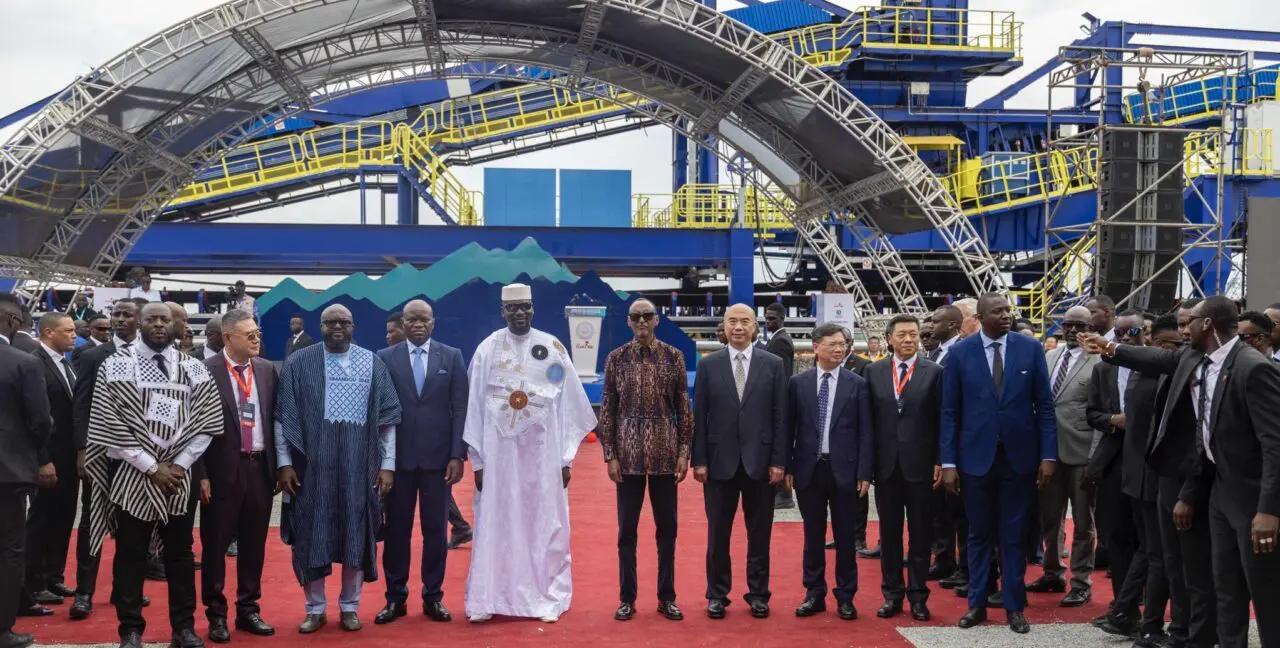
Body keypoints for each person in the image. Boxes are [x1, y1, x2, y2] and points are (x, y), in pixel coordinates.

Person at [1082, 296, 1280, 648]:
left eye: (1191, 321)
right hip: (1219, 491)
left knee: (1265, 592)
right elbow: (1157, 359)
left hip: (1252, 499)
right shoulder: (1194, 357)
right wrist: (1110, 347)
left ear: (1209, 323)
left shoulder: (1253, 367)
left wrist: (1268, 510)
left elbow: (1274, 445)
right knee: (1226, 587)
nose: (1183, 329)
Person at [83, 302, 223, 648]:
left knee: (180, 553)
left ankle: (183, 628)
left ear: (176, 324)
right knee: (131, 554)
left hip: (179, 477)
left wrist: (179, 465)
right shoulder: (116, 365)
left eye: (165, 319)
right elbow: (109, 422)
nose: (159, 324)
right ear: (139, 323)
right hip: (132, 475)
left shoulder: (193, 367)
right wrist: (150, 466)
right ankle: (130, 630)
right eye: (151, 319)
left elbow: (207, 421)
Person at [462, 283, 597, 624]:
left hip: (542, 457)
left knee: (544, 522)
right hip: (499, 458)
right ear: (503, 311)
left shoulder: (551, 349)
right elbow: (474, 405)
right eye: (513, 307)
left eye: (526, 306)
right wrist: (477, 461)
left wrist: (566, 458)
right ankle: (491, 596)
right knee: (498, 522)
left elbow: (569, 404)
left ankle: (544, 595)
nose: (520, 312)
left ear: (533, 308)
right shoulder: (488, 350)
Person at [275, 304, 401, 633]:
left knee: (356, 534)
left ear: (353, 325)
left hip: (359, 469)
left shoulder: (372, 362)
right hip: (312, 471)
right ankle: (315, 608)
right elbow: (283, 418)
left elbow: (388, 421)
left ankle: (350, 607)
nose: (336, 327)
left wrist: (388, 466)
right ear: (320, 326)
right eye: (329, 322)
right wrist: (284, 463)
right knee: (310, 534)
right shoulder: (299, 362)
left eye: (343, 322)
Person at [939, 293, 1056, 634]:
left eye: (1008, 310)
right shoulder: (960, 353)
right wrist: (948, 462)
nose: (1006, 315)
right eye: (998, 311)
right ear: (980, 317)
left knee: (1014, 536)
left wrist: (1048, 455)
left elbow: (1044, 406)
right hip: (974, 460)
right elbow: (949, 412)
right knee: (977, 535)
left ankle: (1014, 606)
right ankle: (976, 604)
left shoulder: (1030, 348)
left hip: (1020, 459)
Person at [692, 303, 789, 620]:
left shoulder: (773, 364)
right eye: (732, 321)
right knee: (717, 536)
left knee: (759, 535)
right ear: (723, 326)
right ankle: (717, 594)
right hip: (719, 464)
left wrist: (779, 461)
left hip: (761, 464)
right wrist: (699, 459)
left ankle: (758, 594)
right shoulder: (709, 365)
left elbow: (780, 416)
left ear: (755, 327)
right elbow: (699, 415)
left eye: (744, 321)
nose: (738, 327)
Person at [374, 300, 469, 625]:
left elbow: (460, 408)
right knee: (396, 532)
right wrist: (382, 462)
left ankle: (433, 597)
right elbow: (379, 410)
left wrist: (457, 454)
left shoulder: (452, 357)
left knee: (435, 533)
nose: (417, 324)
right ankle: (395, 598)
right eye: (412, 319)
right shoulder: (385, 358)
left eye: (423, 319)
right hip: (397, 463)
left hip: (438, 462)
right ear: (403, 323)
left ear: (433, 322)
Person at [599, 298, 692, 622]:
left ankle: (667, 598)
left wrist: (684, 453)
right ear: (628, 321)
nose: (641, 321)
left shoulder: (673, 357)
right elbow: (607, 409)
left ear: (656, 320)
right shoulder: (616, 359)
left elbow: (684, 408)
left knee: (668, 530)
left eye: (647, 316)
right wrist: (610, 455)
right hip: (628, 459)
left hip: (665, 456)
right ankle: (627, 599)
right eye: (636, 317)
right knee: (627, 532)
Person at [1087, 311, 1171, 645]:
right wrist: (1113, 420)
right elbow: (1092, 413)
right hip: (1119, 463)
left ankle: (1130, 612)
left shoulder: (1157, 370)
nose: (1124, 338)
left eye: (1132, 331)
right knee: (1122, 538)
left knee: (1152, 546)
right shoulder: (1107, 369)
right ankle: (1126, 610)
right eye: (1118, 333)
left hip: (1156, 467)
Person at [195, 309, 277, 643]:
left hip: (258, 468)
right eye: (250, 335)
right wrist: (200, 473)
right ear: (228, 337)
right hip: (220, 473)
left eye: (258, 334)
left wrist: (278, 467)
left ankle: (248, 608)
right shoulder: (204, 370)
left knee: (254, 544)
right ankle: (216, 614)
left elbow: (274, 419)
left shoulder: (267, 370)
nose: (257, 340)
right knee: (215, 545)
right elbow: (194, 425)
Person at [786, 322, 871, 621]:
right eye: (832, 344)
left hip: (845, 471)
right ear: (816, 347)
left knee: (846, 537)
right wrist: (788, 466)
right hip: (809, 470)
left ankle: (846, 596)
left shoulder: (857, 383)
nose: (839, 349)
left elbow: (866, 432)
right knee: (813, 535)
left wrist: (864, 472)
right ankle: (814, 593)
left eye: (843, 344)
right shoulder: (798, 383)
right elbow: (788, 428)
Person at [67, 299, 141, 619]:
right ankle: (84, 592)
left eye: (127, 315)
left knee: (132, 525)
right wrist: (82, 450)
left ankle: (123, 590)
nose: (119, 319)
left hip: (137, 458)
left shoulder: (150, 356)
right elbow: (81, 404)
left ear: (140, 320)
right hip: (101, 455)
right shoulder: (93, 356)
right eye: (116, 314)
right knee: (91, 522)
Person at [865, 315, 942, 621]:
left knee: (921, 535)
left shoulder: (934, 372)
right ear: (889, 339)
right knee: (890, 534)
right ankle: (892, 595)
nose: (909, 339)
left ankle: (919, 597)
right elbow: (867, 422)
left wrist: (940, 460)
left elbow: (942, 420)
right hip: (886, 468)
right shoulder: (873, 371)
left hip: (921, 467)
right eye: (902, 335)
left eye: (913, 334)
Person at [1028, 306, 1099, 607]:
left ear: (1090, 328)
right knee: (1049, 518)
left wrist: (1095, 457)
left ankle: (1081, 581)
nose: (1072, 330)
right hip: (1048, 453)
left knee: (1083, 522)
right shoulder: (1050, 356)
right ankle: (1053, 572)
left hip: (1082, 453)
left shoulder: (1100, 360)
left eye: (1079, 325)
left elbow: (1102, 410)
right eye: (1068, 324)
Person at [0, 292, 52, 648]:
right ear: (12, 321)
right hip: (8, 473)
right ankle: (2, 629)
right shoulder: (24, 363)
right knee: (8, 550)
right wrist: (39, 456)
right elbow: (41, 421)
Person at [22, 313, 80, 610]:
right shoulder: (34, 363)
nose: (74, 335)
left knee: (64, 517)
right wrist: (43, 459)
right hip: (47, 458)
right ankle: (33, 583)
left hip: (69, 458)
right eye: (68, 331)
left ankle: (53, 576)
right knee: (42, 520)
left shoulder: (66, 363)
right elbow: (35, 417)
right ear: (48, 332)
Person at [927, 304, 965, 587]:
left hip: (956, 443)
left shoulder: (963, 352)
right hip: (933, 441)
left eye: (936, 321)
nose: (930, 326)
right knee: (938, 508)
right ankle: (944, 560)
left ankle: (965, 567)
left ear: (952, 325)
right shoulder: (933, 353)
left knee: (959, 512)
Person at [764, 303, 796, 510]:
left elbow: (782, 376)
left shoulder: (781, 341)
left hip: (779, 403)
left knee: (779, 447)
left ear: (782, 319)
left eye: (772, 318)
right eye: (766, 318)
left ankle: (784, 494)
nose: (768, 322)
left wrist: (778, 402)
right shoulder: (777, 339)